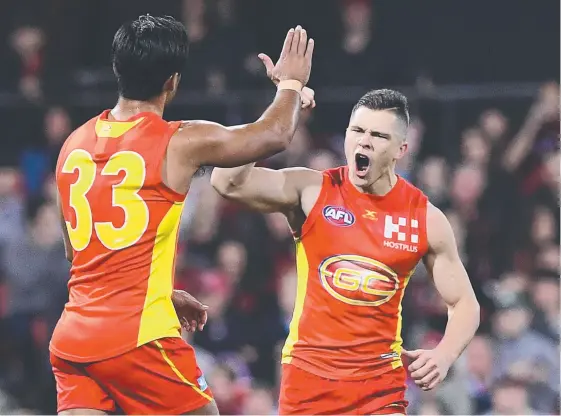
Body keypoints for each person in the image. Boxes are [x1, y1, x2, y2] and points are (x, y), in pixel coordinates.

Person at [51, 15, 315, 415]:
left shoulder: (73, 143)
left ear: (117, 69)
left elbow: (81, 254)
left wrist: (162, 292)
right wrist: (291, 84)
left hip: (73, 341)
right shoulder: (177, 141)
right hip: (136, 338)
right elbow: (273, 135)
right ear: (172, 81)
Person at [211, 88, 481, 415]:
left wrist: (444, 354)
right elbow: (226, 181)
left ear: (401, 149)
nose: (363, 142)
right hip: (308, 383)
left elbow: (464, 303)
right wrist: (277, 114)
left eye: (378, 135)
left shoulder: (424, 218)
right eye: (357, 131)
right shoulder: (312, 191)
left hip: (379, 390)